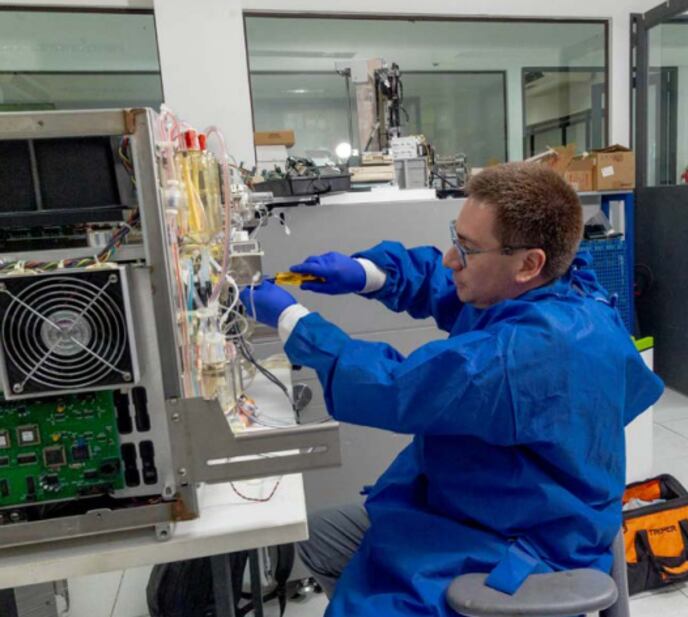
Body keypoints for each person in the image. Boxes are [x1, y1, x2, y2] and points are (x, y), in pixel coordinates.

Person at [239, 162, 663, 617]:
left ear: (529, 263)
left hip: (517, 545)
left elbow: (395, 388)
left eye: (467, 249)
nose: (450, 258)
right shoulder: (559, 289)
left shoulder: (528, 352)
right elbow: (453, 287)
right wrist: (368, 273)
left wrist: (293, 320)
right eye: (455, 239)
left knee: (368, 601)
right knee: (321, 535)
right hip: (496, 504)